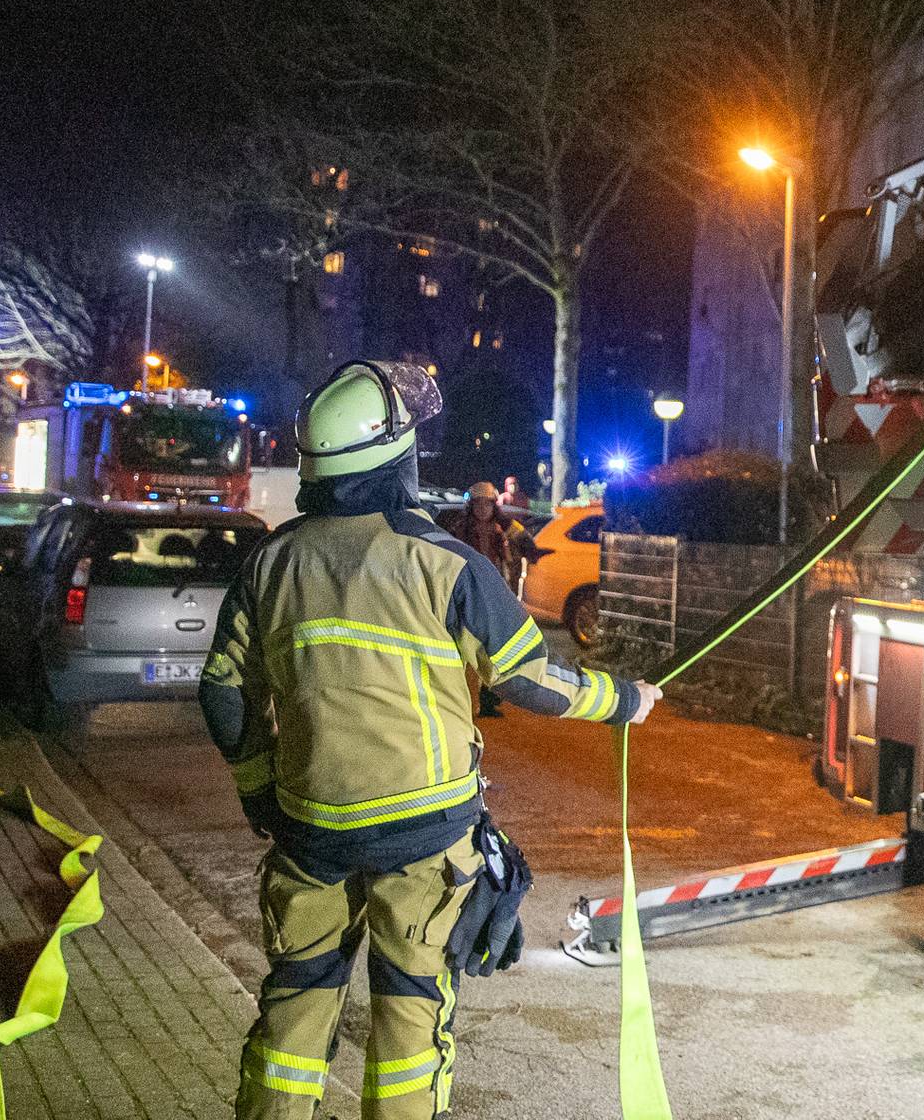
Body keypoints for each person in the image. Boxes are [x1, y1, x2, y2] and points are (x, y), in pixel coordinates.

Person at [198, 360, 660, 1119]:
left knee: (293, 1010)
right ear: (396, 459)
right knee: (410, 1016)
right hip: (423, 837)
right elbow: (530, 682)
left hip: (308, 829)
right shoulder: (447, 564)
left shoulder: (270, 562)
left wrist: (258, 791)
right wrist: (624, 700)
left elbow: (221, 690)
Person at [437, 482, 531, 718]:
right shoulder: (459, 529)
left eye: (487, 504)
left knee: (491, 651)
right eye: (478, 504)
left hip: (491, 592)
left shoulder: (502, 530)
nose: (482, 509)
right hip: (464, 592)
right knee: (464, 653)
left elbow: (519, 547)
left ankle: (488, 700)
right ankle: (462, 702)